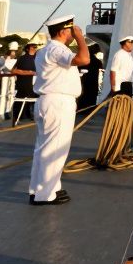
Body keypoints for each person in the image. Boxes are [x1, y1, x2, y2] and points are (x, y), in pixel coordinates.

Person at [29, 15, 90, 206]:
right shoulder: (57, 49)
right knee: (54, 149)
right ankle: (45, 195)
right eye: (71, 30)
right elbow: (84, 59)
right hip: (58, 103)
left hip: (48, 101)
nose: (73, 33)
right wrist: (80, 37)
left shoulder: (44, 50)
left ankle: (41, 189)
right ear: (64, 31)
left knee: (43, 149)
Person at [9, 42, 38, 122]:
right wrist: (28, 72)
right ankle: (18, 116)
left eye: (35, 47)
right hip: (24, 84)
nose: (34, 48)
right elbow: (13, 70)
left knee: (34, 99)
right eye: (32, 47)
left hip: (36, 84)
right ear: (28, 49)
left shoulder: (39, 58)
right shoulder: (22, 58)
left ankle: (31, 115)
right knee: (21, 99)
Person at [78, 43, 103, 112]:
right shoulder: (97, 61)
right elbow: (100, 66)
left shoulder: (86, 59)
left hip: (85, 81)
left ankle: (82, 109)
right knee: (91, 95)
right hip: (93, 81)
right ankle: (89, 109)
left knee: (84, 94)